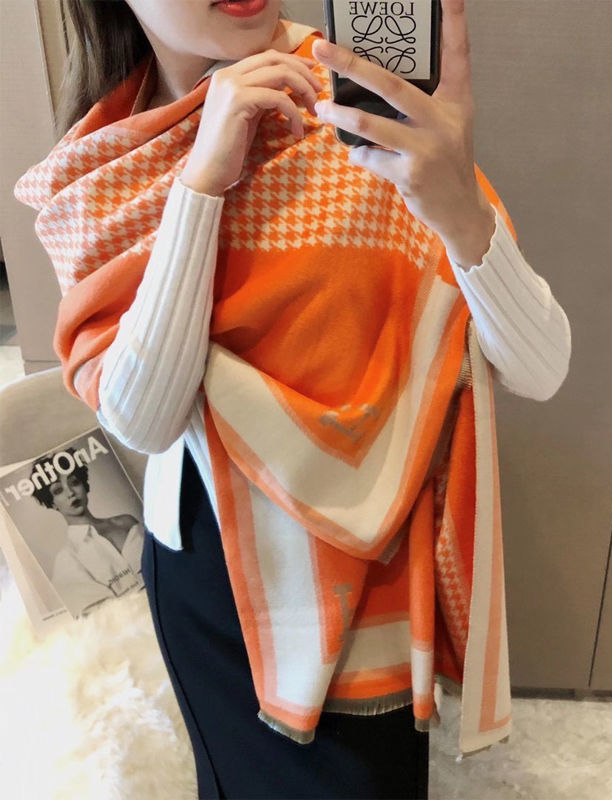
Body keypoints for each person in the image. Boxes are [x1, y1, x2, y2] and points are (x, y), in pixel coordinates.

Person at [14, 1, 572, 798]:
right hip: (210, 566)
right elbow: (145, 417)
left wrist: (460, 211)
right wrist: (201, 185)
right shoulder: (113, 152)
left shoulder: (354, 98)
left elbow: (542, 367)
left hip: (370, 575)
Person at [30, 447, 144, 616]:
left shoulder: (126, 522)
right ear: (52, 503)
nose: (70, 493)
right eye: (58, 490)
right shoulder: (66, 561)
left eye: (74, 482)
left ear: (84, 485)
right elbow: (104, 618)